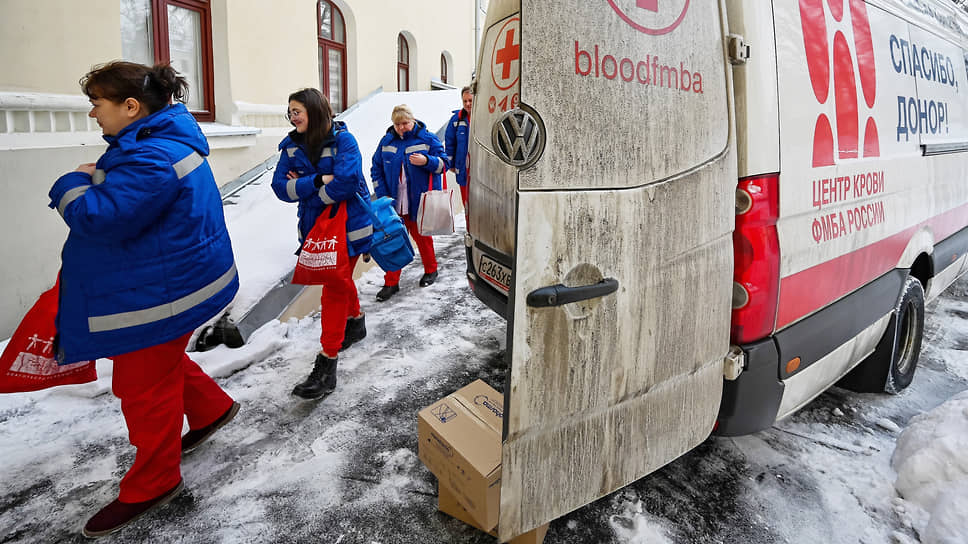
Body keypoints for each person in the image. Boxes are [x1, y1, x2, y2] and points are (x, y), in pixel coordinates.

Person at [47, 61, 240, 538]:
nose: (94, 114)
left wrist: (73, 183)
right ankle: (212, 409)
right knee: (159, 363)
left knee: (143, 387)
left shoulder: (151, 156)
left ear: (131, 107)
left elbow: (101, 218)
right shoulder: (159, 143)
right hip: (173, 282)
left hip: (161, 294)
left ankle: (153, 482)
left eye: (98, 103)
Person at [271, 88, 373, 400]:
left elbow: (345, 183)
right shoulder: (290, 147)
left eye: (297, 110)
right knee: (339, 281)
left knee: (334, 287)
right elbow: (279, 188)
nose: (292, 116)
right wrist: (317, 181)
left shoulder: (345, 141)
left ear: (314, 111)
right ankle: (356, 322)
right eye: (289, 111)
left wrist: (305, 189)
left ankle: (327, 362)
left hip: (349, 227)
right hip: (316, 229)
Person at [370, 104, 448, 301]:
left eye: (405, 123)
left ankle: (431, 270)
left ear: (413, 121)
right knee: (392, 239)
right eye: (397, 124)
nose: (401, 128)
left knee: (422, 237)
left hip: (418, 200)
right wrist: (381, 193)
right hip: (393, 202)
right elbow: (376, 168)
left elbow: (444, 164)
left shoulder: (427, 139)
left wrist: (427, 161)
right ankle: (391, 282)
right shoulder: (386, 141)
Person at [445, 86, 473, 212]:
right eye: (465, 101)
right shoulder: (456, 119)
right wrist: (450, 164)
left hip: (481, 169)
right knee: (466, 203)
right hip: (462, 169)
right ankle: (469, 228)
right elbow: (450, 143)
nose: (467, 104)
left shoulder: (484, 117)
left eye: (470, 100)